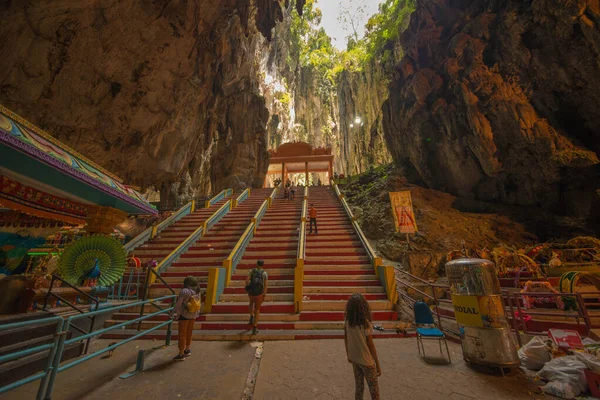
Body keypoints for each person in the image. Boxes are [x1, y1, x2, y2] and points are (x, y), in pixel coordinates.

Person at [344, 293, 381, 400]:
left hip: (355, 359)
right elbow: (370, 345)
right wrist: (377, 364)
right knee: (374, 391)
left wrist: (348, 354)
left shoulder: (347, 322)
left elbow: (345, 338)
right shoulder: (365, 324)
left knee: (359, 387)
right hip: (367, 361)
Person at [171, 276, 201, 361]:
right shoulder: (198, 290)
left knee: (182, 334)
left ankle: (181, 353)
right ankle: (187, 349)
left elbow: (178, 304)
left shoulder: (184, 291)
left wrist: (173, 312)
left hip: (184, 315)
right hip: (193, 314)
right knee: (189, 332)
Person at [245, 259, 268, 335]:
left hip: (252, 292)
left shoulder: (252, 271)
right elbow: (265, 285)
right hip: (259, 293)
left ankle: (251, 316)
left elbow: (247, 280)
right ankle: (254, 328)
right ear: (263, 265)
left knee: (251, 303)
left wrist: (248, 288)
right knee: (257, 310)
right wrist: (264, 294)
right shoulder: (264, 273)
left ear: (257, 264)